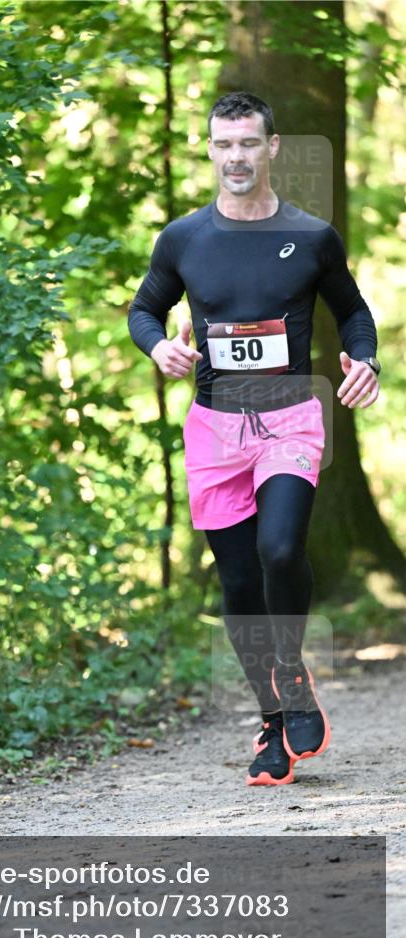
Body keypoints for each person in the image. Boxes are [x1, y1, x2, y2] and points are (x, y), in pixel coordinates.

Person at [127, 91, 379, 786]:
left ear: (271, 148)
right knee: (237, 586)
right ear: (209, 150)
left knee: (277, 548)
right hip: (214, 429)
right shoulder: (182, 239)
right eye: (222, 145)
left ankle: (290, 668)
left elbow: (353, 314)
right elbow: (144, 310)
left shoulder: (312, 236)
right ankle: (271, 724)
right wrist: (157, 350)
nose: (234, 157)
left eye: (247, 144)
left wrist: (365, 359)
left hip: (289, 418)